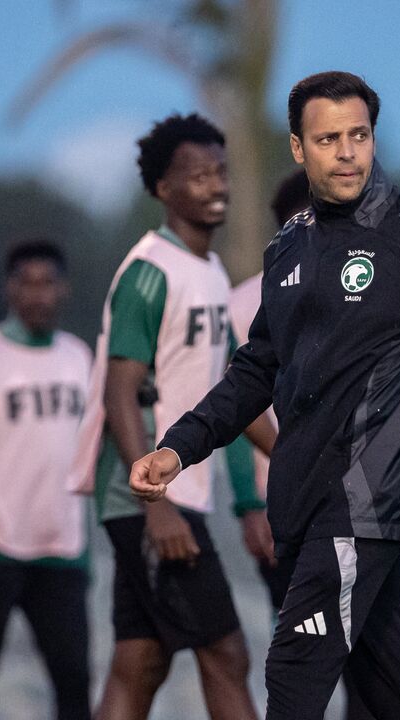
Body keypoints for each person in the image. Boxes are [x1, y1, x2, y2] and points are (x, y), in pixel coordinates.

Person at [130, 71, 400, 720]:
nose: (347, 151)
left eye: (359, 135)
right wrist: (179, 448)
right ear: (299, 149)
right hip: (306, 507)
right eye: (328, 138)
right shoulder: (289, 245)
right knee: (396, 693)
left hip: (368, 500)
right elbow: (255, 372)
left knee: (293, 670)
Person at [68, 113, 268, 720]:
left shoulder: (207, 271)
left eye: (221, 172)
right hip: (147, 499)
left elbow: (226, 392)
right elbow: (118, 394)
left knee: (140, 662)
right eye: (197, 175)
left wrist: (288, 454)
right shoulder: (149, 272)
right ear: (162, 189)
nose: (216, 185)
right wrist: (158, 508)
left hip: (170, 497)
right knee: (226, 654)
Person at [0, 240, 93, 719]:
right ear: (9, 288)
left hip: (63, 554)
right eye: (26, 283)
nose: (37, 295)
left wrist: (87, 548)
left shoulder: (80, 357)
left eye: (47, 283)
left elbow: (90, 455)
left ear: (63, 289)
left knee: (74, 686)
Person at [226, 168, 310, 612]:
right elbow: (234, 407)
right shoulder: (241, 305)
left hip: (357, 501)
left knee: (369, 647)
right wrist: (250, 504)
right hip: (282, 503)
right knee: (298, 639)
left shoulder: (363, 292)